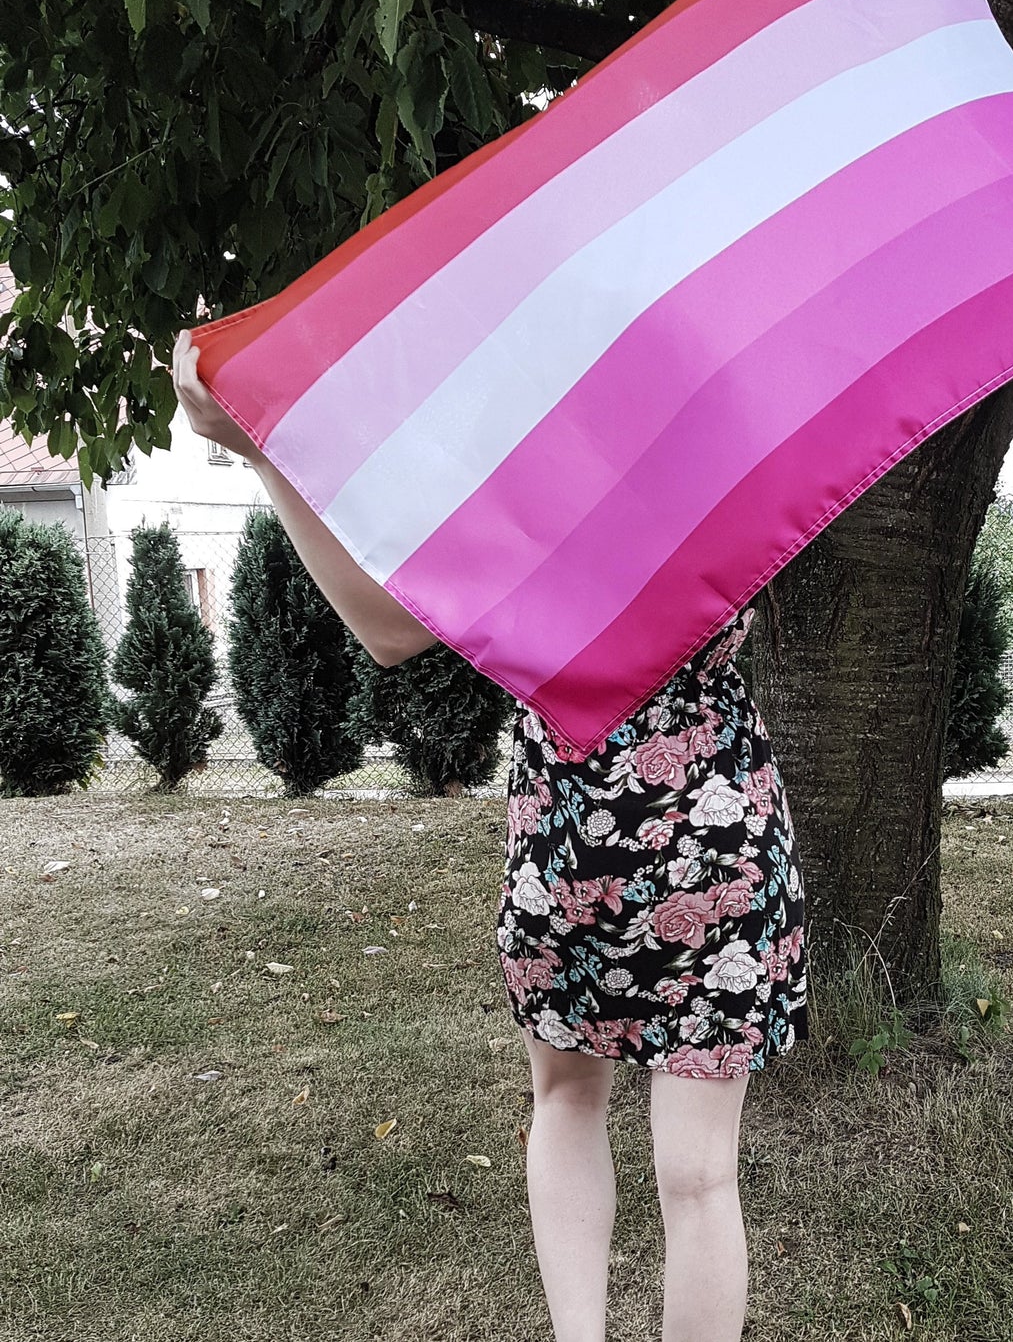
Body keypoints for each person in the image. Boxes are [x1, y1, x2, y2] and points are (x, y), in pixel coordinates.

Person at [171, 329, 809, 1342]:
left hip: (567, 843)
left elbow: (384, 627)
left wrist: (256, 451)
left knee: (565, 1102)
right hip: (715, 838)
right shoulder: (735, 449)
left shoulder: (525, 484)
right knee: (697, 1176)